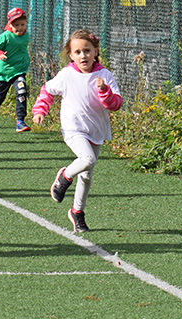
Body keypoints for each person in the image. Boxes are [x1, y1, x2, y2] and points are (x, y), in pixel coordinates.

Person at [32, 29, 123, 233]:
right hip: (73, 128)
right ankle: (64, 175)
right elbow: (48, 90)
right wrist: (40, 110)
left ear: (95, 52)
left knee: (87, 175)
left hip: (96, 130)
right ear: (71, 55)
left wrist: (104, 91)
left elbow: (116, 104)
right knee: (87, 159)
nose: (83, 56)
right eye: (78, 52)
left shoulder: (104, 75)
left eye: (87, 51)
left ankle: (77, 212)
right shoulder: (67, 75)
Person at [0, 7, 32, 132]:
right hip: (5, 72)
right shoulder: (5, 36)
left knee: (21, 91)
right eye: (16, 25)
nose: (20, 28)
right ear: (10, 24)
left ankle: (20, 121)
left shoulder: (26, 35)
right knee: (0, 96)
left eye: (22, 24)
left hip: (19, 70)